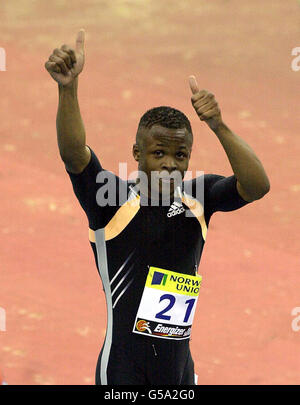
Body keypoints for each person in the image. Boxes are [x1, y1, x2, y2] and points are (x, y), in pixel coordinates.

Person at [45, 30, 270, 385]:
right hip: (123, 374)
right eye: (158, 153)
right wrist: (67, 89)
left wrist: (217, 125)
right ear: (137, 154)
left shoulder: (199, 198)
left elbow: (257, 186)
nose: (169, 164)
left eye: (180, 155)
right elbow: (74, 154)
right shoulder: (111, 201)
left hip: (181, 374)